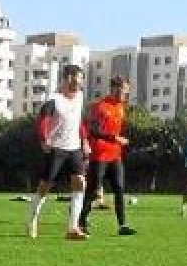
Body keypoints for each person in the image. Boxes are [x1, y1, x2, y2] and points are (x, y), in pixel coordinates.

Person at [27, 64, 91, 240]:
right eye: (79, 77)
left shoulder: (79, 96)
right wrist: (43, 140)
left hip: (74, 148)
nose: (81, 81)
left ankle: (72, 228)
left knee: (80, 183)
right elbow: (42, 121)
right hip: (56, 149)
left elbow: (79, 121)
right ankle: (32, 222)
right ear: (69, 78)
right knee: (44, 186)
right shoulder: (53, 99)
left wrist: (85, 141)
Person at [80, 76, 136, 236]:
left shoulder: (121, 107)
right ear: (113, 88)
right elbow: (94, 131)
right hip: (99, 155)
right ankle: (81, 221)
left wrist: (120, 142)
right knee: (92, 190)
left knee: (119, 189)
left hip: (115, 156)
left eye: (126, 91)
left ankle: (122, 225)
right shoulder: (100, 106)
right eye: (122, 90)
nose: (124, 93)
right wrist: (115, 138)